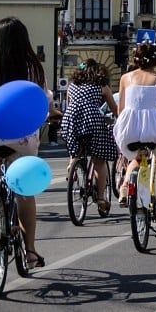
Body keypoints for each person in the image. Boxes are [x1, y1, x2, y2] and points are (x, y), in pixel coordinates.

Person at [0, 17, 50, 270]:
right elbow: (42, 99)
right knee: (25, 193)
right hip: (23, 137)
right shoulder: (32, 68)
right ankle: (30, 251)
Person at [111, 41, 156, 214]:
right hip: (153, 127)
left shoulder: (126, 78)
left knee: (137, 158)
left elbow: (121, 108)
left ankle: (125, 186)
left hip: (129, 126)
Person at [59, 59, 120, 215]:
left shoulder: (72, 87)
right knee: (99, 159)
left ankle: (72, 164)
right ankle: (100, 198)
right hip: (92, 119)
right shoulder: (102, 87)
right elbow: (115, 110)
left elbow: (69, 105)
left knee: (75, 146)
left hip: (71, 119)